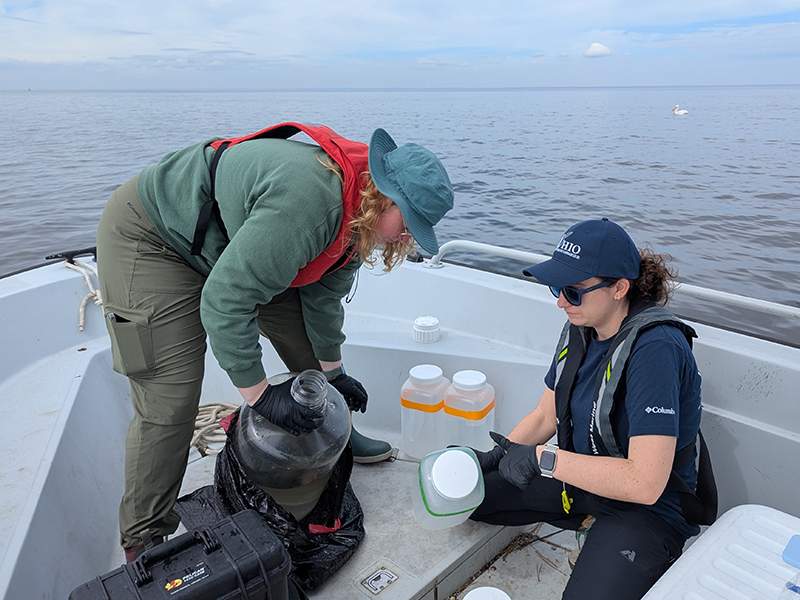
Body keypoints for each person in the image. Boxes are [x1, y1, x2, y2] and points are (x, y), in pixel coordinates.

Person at [96, 122, 454, 561]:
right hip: (154, 238)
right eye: (407, 222)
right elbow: (226, 301)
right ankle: (144, 538)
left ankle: (341, 435)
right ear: (382, 194)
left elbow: (322, 301)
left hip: (226, 240)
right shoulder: (309, 204)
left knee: (306, 350)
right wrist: (260, 395)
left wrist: (335, 378)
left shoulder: (357, 219)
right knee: (172, 395)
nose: (407, 238)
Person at [470, 218, 710, 600]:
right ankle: (588, 520)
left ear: (619, 288)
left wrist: (542, 461)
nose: (561, 301)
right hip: (583, 479)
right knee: (472, 496)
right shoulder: (580, 326)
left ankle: (615, 542)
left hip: (647, 510)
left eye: (573, 291)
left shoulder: (656, 348)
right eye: (556, 287)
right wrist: (497, 455)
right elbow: (545, 416)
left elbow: (646, 484)